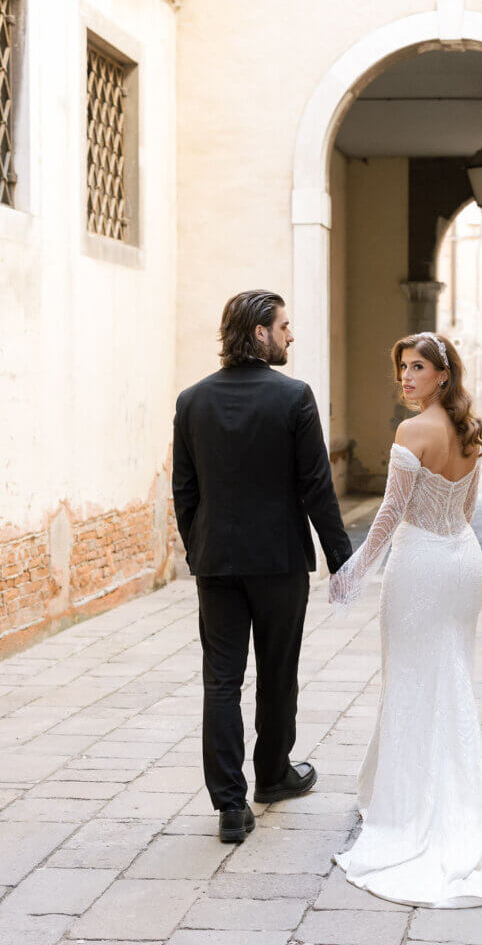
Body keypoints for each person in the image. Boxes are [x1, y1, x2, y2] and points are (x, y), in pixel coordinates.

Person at [329, 331, 482, 907]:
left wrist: (353, 571)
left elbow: (390, 515)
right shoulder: (469, 432)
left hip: (421, 564)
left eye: (418, 367)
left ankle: (409, 813)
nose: (406, 377)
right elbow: (467, 510)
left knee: (409, 680)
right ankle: (451, 803)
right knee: (450, 679)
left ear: (442, 375)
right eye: (402, 366)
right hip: (462, 561)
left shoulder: (412, 431)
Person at [173, 290, 352, 844]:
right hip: (277, 564)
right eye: (284, 326)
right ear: (258, 333)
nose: (291, 335)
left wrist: (198, 546)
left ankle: (229, 805)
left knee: (221, 683)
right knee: (277, 675)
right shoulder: (294, 397)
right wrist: (343, 561)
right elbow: (316, 488)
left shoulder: (191, 400)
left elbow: (185, 490)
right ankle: (273, 776)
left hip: (217, 565)